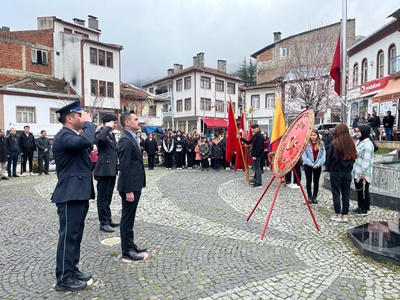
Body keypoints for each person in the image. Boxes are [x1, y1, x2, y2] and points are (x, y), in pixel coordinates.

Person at [51, 100, 96, 292]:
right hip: (69, 195)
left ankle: (71, 269)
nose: (83, 117)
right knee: (68, 236)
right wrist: (89, 124)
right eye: (80, 115)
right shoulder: (64, 136)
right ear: (69, 118)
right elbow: (87, 141)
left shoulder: (72, 136)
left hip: (78, 193)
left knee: (75, 236)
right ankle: (63, 278)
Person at [117, 112, 148, 262]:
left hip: (135, 183)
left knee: (130, 218)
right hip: (129, 186)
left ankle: (131, 244)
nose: (139, 121)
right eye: (136, 119)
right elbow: (125, 167)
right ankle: (127, 250)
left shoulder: (132, 137)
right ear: (127, 123)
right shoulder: (125, 140)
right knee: (127, 218)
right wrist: (128, 190)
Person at [326, 123, 357, 223]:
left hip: (336, 171)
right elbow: (353, 158)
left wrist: (328, 168)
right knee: (346, 194)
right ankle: (345, 215)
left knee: (336, 193)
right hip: (347, 172)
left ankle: (338, 215)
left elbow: (329, 158)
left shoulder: (335, 143)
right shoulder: (351, 143)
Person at [94, 114, 119, 233]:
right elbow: (100, 140)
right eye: (114, 122)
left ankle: (108, 219)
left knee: (108, 197)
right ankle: (103, 222)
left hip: (111, 170)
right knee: (102, 198)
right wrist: (107, 127)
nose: (116, 124)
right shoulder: (100, 132)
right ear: (108, 123)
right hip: (103, 171)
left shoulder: (112, 134)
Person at [352, 124, 374, 216]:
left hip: (363, 172)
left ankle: (364, 209)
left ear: (364, 132)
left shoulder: (368, 144)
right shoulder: (360, 142)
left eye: (358, 131)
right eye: (356, 131)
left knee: (364, 190)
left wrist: (363, 172)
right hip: (357, 170)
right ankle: (360, 206)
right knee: (359, 190)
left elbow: (367, 159)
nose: (356, 133)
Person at [302, 128, 326, 204]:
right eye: (311, 135)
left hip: (317, 164)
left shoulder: (321, 144)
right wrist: (310, 164)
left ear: (317, 135)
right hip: (308, 164)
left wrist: (318, 164)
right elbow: (304, 156)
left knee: (316, 181)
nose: (313, 136)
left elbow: (323, 156)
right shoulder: (306, 143)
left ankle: (314, 196)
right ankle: (309, 196)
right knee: (308, 181)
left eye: (314, 135)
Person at [238, 123, 264, 188]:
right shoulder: (255, 135)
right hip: (254, 154)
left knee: (257, 169)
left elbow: (259, 147)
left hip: (257, 155)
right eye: (253, 129)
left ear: (258, 128)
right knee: (255, 169)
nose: (253, 130)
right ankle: (256, 180)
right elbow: (249, 142)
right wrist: (241, 138)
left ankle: (259, 183)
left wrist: (255, 155)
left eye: (255, 128)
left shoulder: (260, 136)